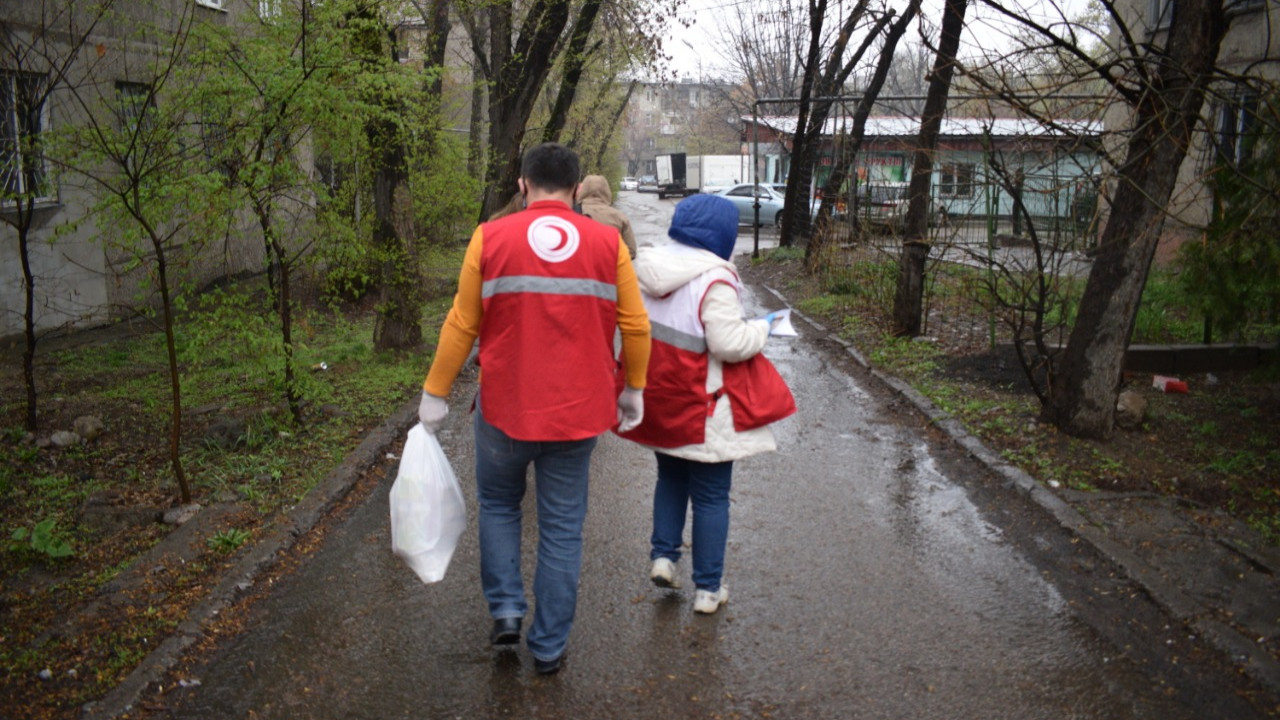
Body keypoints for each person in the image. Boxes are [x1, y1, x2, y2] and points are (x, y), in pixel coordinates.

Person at [419, 142, 651, 674]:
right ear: (576, 189)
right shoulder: (606, 241)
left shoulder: (490, 236)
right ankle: (547, 647)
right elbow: (635, 325)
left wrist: (435, 392)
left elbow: (461, 323)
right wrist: (633, 387)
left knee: (499, 507)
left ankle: (504, 611)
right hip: (577, 414)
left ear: (522, 185)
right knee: (562, 528)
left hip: (503, 410)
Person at [617, 193, 795, 615]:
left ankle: (663, 558)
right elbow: (728, 345)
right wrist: (763, 328)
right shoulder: (714, 279)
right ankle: (708, 589)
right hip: (705, 406)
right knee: (712, 496)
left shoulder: (648, 268)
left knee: (671, 479)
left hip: (660, 398)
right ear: (723, 237)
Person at [577, 174, 638, 259]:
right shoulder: (620, 218)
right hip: (611, 269)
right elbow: (631, 251)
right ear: (607, 191)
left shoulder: (572, 213)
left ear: (583, 191)